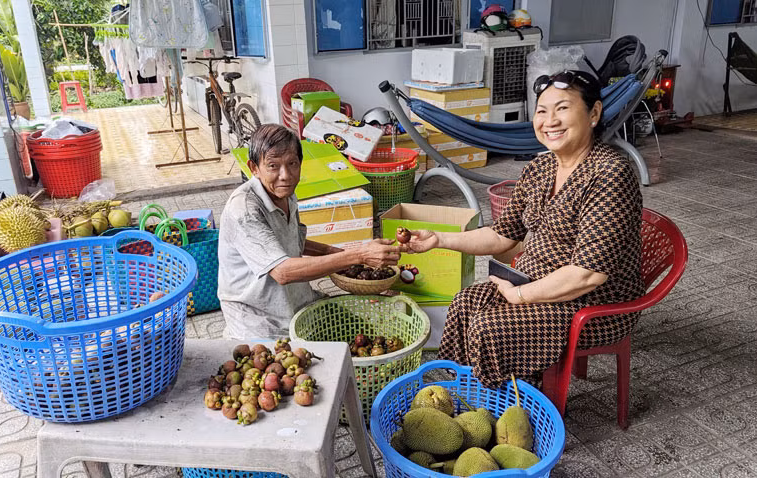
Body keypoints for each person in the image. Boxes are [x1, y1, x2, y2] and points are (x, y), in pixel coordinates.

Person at [403, 70, 644, 388]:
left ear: (594, 113)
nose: (550, 121)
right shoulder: (541, 167)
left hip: (594, 303)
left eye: (562, 108)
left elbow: (589, 275)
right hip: (534, 284)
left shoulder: (610, 173)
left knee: (490, 327)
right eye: (542, 111)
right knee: (465, 304)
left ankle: (509, 402)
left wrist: (519, 295)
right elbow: (502, 234)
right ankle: (466, 390)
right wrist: (439, 239)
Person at [218, 124, 401, 340]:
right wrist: (358, 255)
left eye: (292, 164)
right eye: (273, 166)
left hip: (297, 301)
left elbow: (292, 238)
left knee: (362, 336)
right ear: (254, 168)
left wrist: (334, 252)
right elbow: (283, 272)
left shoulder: (285, 193)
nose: (285, 175)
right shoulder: (245, 210)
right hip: (259, 321)